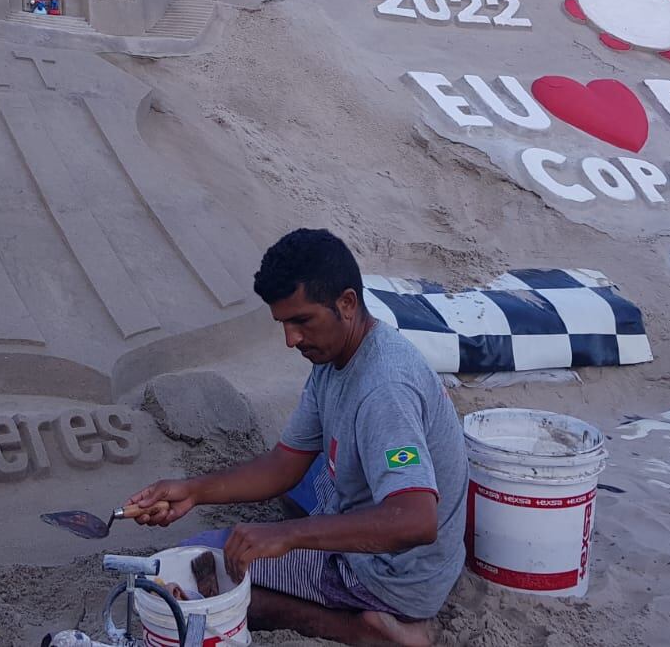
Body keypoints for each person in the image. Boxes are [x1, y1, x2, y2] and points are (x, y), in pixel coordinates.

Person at [129, 229, 467, 647]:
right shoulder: (336, 355)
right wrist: (192, 491)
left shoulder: (385, 391)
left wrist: (289, 534)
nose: (291, 340)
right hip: (408, 548)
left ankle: (367, 631)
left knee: (204, 564)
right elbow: (284, 464)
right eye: (283, 324)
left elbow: (417, 520)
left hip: (396, 575)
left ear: (347, 302)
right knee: (306, 481)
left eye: (302, 321)